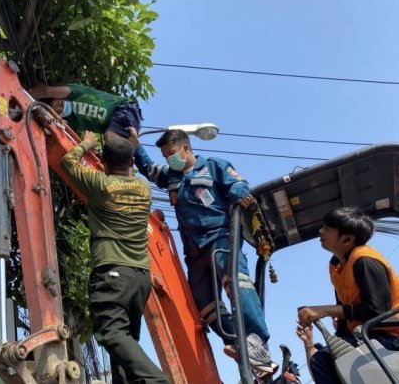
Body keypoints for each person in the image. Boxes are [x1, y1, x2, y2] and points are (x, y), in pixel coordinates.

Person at [129, 128, 278, 379]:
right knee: (203, 306)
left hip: (220, 238)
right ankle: (238, 341)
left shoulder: (214, 167)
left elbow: (240, 185)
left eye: (172, 154)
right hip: (194, 251)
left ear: (186, 148)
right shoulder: (172, 176)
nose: (169, 160)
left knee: (236, 284)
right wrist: (135, 145)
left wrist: (239, 194)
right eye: (166, 156)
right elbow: (148, 168)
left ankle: (257, 342)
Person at [61, 132, 170, 384]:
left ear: (104, 162)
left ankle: (157, 381)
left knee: (110, 333)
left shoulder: (102, 185)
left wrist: (86, 143)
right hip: (140, 279)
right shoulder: (143, 188)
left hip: (112, 274)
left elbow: (69, 162)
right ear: (132, 164)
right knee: (123, 347)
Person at [298, 207, 399, 384]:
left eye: (328, 229)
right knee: (323, 354)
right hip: (370, 336)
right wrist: (338, 333)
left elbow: (378, 312)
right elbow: (344, 311)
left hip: (391, 337)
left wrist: (325, 311)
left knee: (323, 360)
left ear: (347, 240)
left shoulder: (365, 260)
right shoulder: (337, 266)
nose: (320, 232)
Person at [30, 84, 143, 141]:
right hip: (118, 128)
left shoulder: (76, 92)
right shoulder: (69, 123)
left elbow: (47, 91)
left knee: (110, 138)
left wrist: (24, 95)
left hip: (125, 109)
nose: (60, 106)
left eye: (58, 102)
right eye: (57, 110)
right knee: (115, 151)